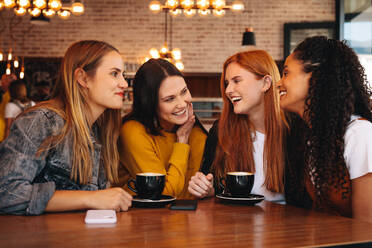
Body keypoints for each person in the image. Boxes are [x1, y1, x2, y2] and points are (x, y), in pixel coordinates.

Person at [0, 40, 132, 215]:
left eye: (122, 74)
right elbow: (6, 193)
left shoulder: (100, 130)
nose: (124, 83)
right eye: (114, 74)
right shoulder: (41, 121)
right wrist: (91, 198)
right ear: (83, 78)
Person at [278, 36, 372, 221]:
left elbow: (366, 229)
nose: (279, 83)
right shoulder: (311, 136)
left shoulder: (359, 134)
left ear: (315, 77)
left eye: (286, 73)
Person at [188, 50, 286, 202]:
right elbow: (212, 184)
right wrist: (206, 189)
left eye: (237, 81)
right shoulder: (220, 131)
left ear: (266, 83)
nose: (228, 90)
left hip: (291, 224)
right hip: (237, 222)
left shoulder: (294, 131)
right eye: (227, 83)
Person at [116, 58, 207, 199]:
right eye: (170, 99)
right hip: (140, 217)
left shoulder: (197, 132)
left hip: (189, 216)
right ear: (150, 103)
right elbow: (164, 194)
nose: (182, 104)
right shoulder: (132, 132)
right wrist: (182, 141)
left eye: (184, 92)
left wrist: (209, 189)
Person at [0, 74, 16, 142]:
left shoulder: (11, 97)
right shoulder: (6, 95)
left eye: (3, 81)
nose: (1, 83)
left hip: (3, 130)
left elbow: (8, 125)